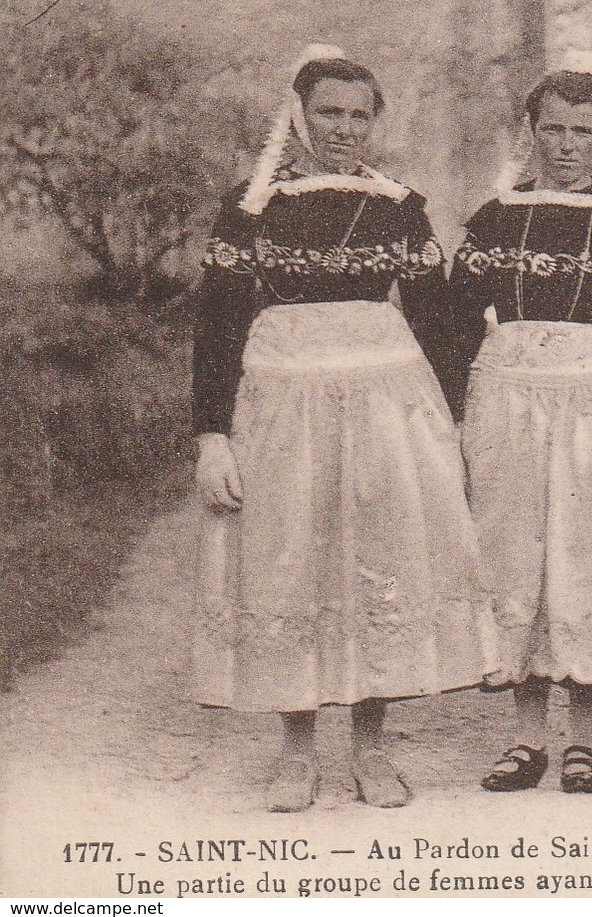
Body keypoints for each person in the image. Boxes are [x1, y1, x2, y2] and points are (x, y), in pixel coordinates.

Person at [193, 45, 495, 813]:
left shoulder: (399, 206)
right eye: (330, 111)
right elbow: (219, 323)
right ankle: (296, 751)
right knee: (291, 557)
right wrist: (211, 435)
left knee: (379, 557)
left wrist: (457, 421)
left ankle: (370, 744)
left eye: (360, 115)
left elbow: (439, 321)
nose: (345, 128)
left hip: (386, 402)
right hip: (282, 399)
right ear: (298, 115)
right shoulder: (253, 205)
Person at [447, 52, 592, 797]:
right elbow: (452, 324)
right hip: (509, 404)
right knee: (516, 553)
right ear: (532, 131)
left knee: (584, 556)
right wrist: (447, 420)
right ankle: (524, 735)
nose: (567, 144)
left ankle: (583, 736)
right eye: (553, 128)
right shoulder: (495, 217)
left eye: (583, 130)